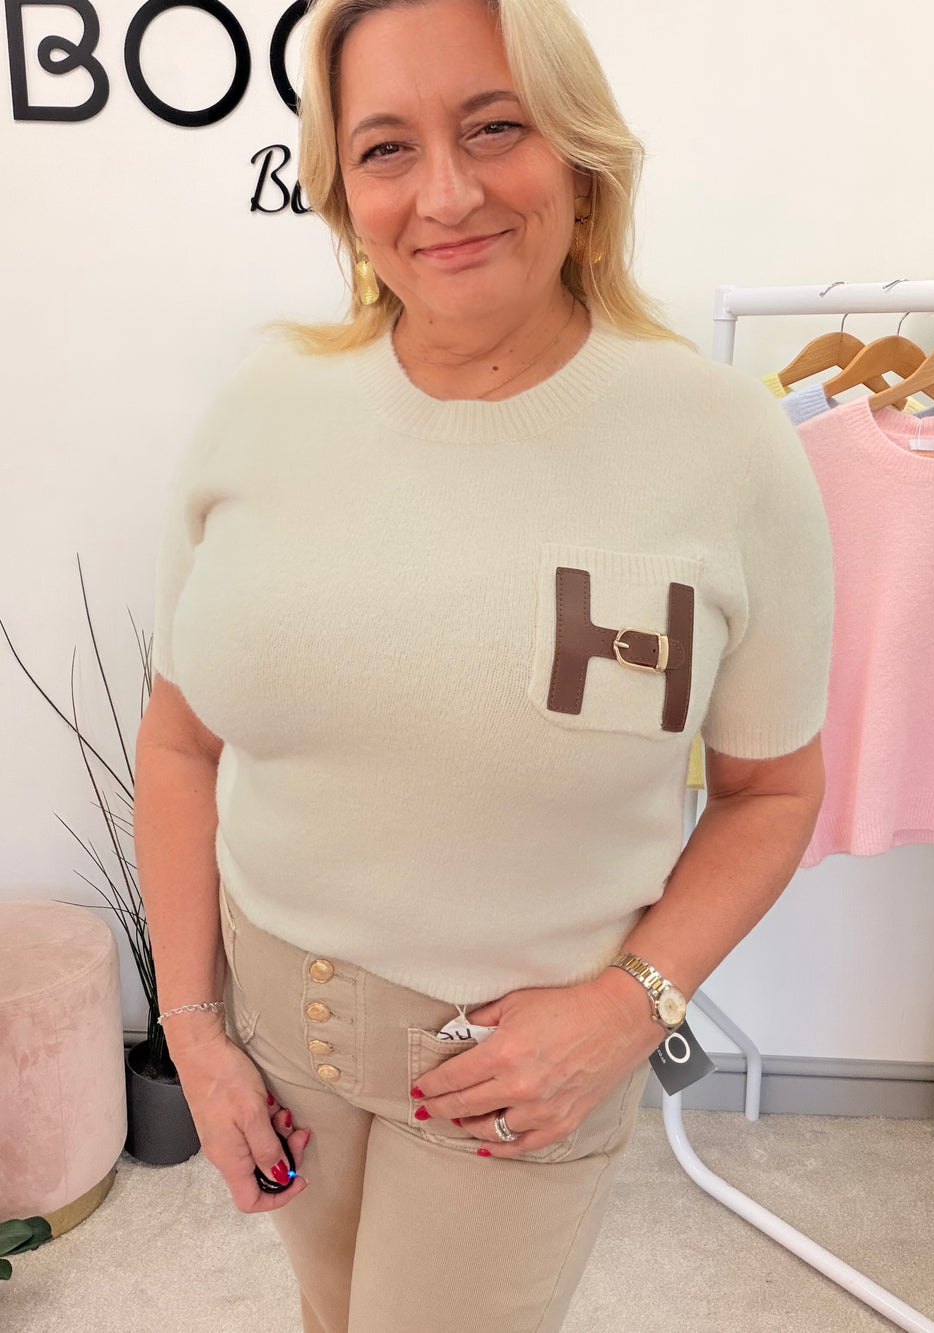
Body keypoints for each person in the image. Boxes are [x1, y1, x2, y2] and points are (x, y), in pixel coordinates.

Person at [133, 0, 833, 1329]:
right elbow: (180, 741)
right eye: (386, 148)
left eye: (494, 127)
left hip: (520, 1076)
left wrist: (634, 1005)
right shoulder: (261, 413)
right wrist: (194, 1029)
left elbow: (772, 792)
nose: (444, 194)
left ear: (581, 153)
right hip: (278, 1038)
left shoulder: (722, 446)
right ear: (343, 191)